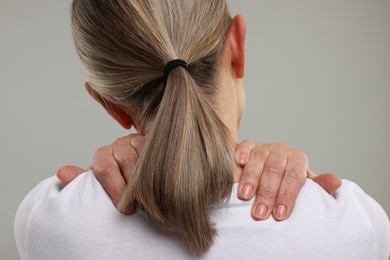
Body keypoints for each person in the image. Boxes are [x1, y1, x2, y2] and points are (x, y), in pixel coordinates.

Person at [15, 0, 390, 259]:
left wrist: (84, 190)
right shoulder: (354, 225)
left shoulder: (49, 219)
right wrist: (310, 188)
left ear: (110, 104)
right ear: (238, 44)